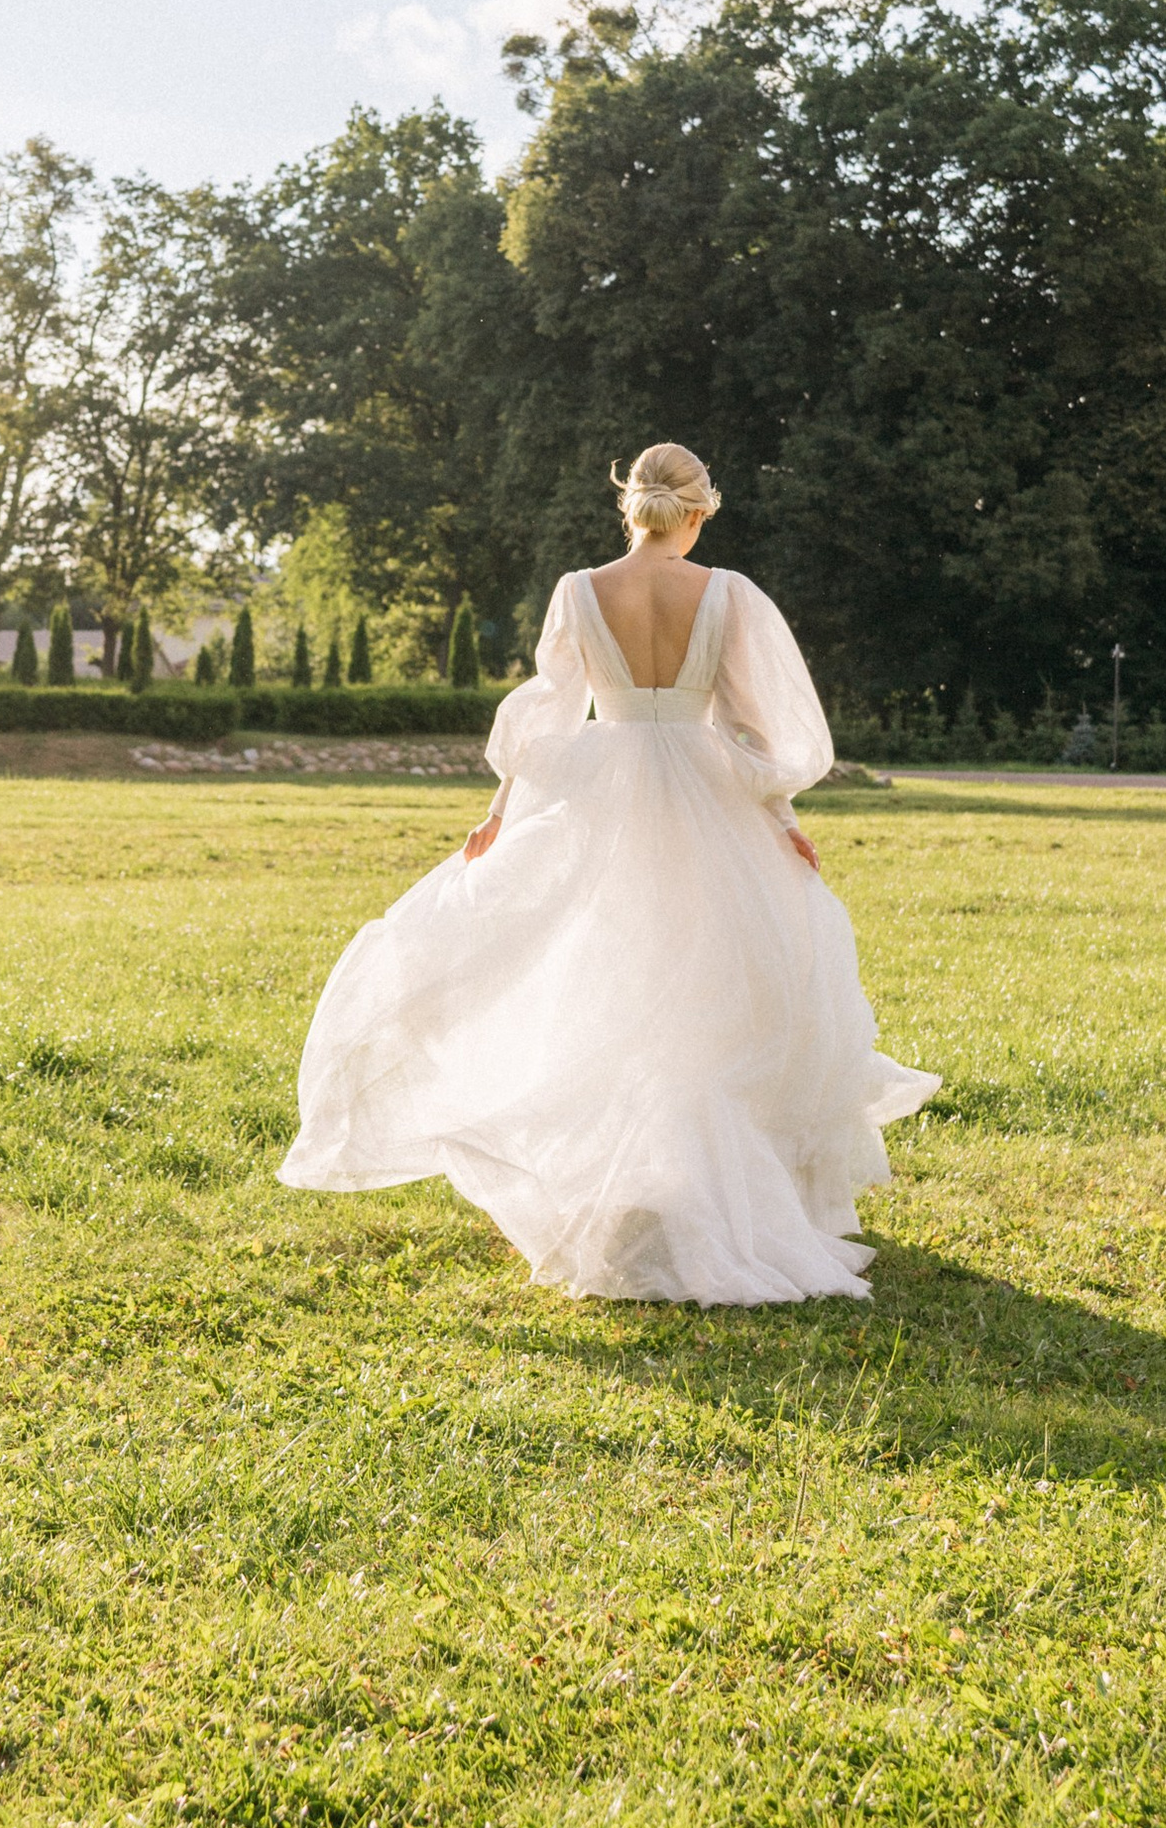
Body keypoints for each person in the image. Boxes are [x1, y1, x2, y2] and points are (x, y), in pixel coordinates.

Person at [277, 444, 937, 1303]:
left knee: (612, 985)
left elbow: (546, 715)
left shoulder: (579, 591)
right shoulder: (726, 594)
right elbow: (745, 723)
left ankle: (634, 1191)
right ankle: (714, 1195)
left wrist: (501, 812)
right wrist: (781, 818)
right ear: (698, 512)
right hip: (707, 800)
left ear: (630, 509)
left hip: (604, 794)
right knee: (713, 996)